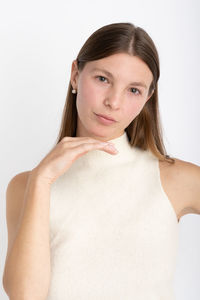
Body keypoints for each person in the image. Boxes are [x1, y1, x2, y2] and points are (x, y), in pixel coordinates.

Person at [2, 22, 200, 300]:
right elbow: (25, 296)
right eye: (103, 79)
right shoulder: (27, 186)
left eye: (134, 90)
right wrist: (42, 181)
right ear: (75, 75)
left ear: (148, 98)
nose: (114, 102)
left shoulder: (176, 179)